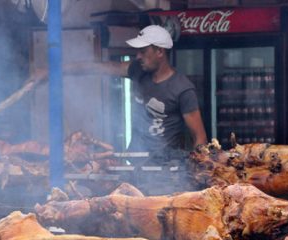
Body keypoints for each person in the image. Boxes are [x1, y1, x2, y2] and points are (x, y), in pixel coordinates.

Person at [47, 25, 207, 164]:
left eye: (143, 51)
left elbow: (200, 138)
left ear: (160, 51)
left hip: (167, 170)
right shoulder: (138, 70)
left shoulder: (183, 89)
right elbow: (98, 67)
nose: (138, 56)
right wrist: (53, 71)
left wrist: (194, 173)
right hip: (136, 165)